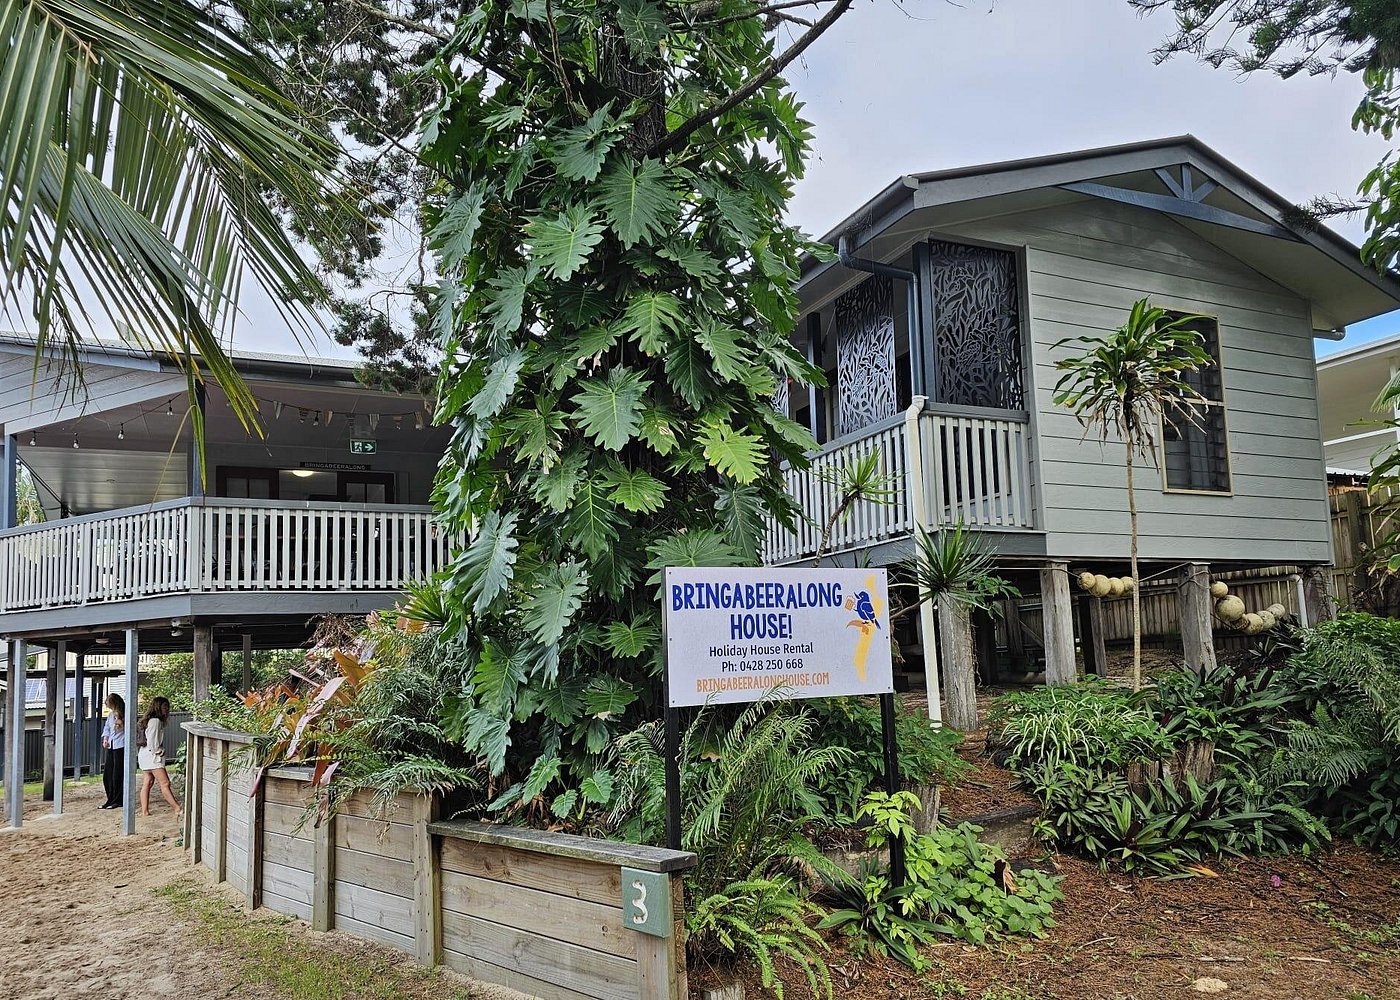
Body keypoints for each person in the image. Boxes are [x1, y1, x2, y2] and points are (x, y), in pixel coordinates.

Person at [137, 697, 181, 818]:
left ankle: (145, 811)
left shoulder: (150, 720)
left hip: (144, 754)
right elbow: (152, 741)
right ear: (158, 707)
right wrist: (159, 750)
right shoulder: (155, 721)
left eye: (168, 708)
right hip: (152, 756)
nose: (167, 710)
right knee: (165, 783)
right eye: (164, 707)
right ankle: (177, 808)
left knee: (148, 782)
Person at [99, 693, 126, 809]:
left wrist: (121, 724)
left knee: (118, 774)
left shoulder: (124, 714)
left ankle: (118, 800)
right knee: (108, 775)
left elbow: (126, 728)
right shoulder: (110, 715)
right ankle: (110, 798)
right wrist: (105, 738)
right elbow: (107, 727)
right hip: (112, 745)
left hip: (121, 745)